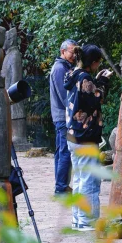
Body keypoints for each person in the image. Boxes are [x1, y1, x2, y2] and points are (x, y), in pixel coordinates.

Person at [64, 44, 114, 231]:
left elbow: (88, 94)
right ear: (93, 62)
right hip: (85, 136)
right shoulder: (85, 78)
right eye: (97, 63)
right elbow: (96, 99)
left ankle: (78, 219)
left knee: (78, 179)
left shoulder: (72, 74)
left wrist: (97, 80)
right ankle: (87, 221)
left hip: (73, 135)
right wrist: (103, 82)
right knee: (89, 181)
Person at [49, 40, 78, 196]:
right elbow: (64, 95)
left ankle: (61, 185)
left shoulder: (65, 67)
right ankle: (61, 187)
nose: (74, 55)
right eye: (71, 51)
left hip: (62, 115)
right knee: (65, 151)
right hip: (63, 116)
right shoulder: (60, 68)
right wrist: (75, 111)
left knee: (61, 151)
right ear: (63, 51)